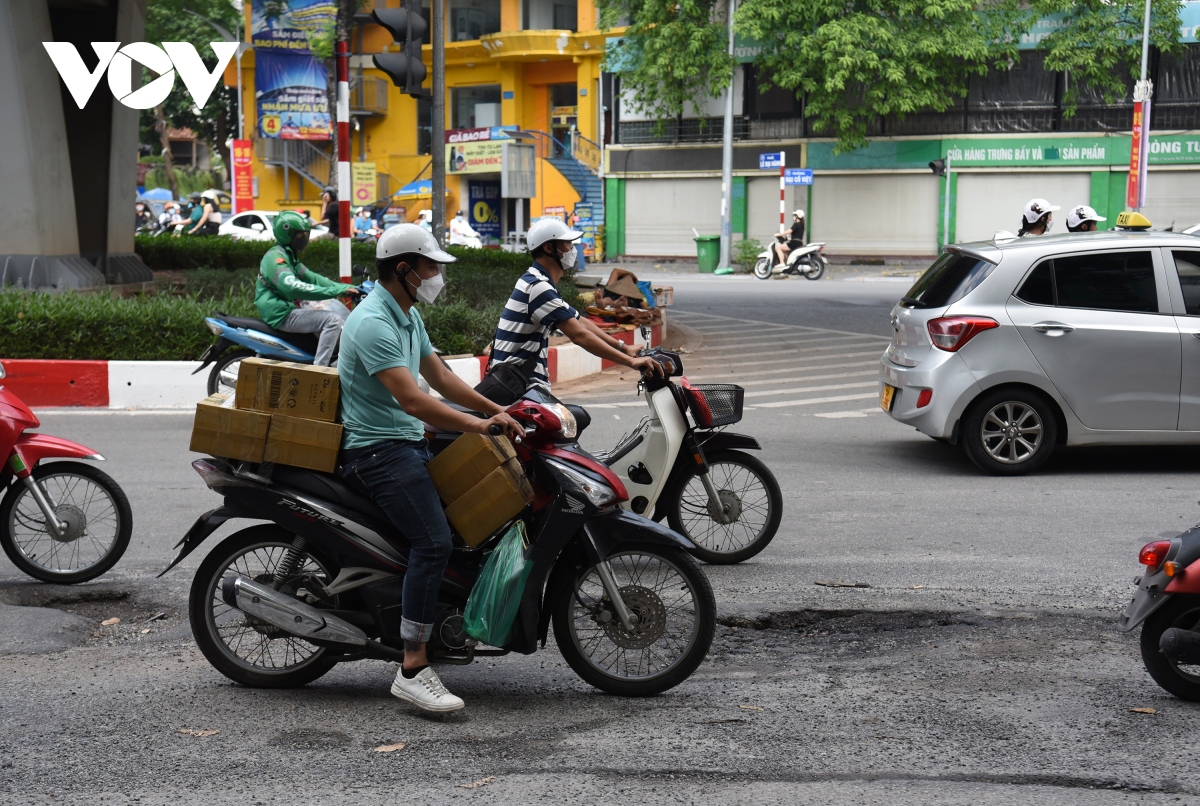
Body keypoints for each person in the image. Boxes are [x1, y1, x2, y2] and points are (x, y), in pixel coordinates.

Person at [337, 223, 523, 713]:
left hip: (406, 443)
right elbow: (415, 400)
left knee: (466, 528)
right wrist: (479, 427)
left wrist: (493, 410)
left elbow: (440, 375)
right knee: (434, 540)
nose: (438, 274)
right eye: (431, 266)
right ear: (405, 269)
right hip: (378, 452)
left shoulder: (406, 314)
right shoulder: (374, 321)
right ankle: (413, 664)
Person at [484, 218, 662, 398]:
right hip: (518, 387)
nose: (573, 249)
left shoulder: (540, 281)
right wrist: (630, 361)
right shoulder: (538, 287)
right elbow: (579, 335)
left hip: (521, 383)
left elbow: (581, 321)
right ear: (549, 248)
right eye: (568, 243)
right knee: (575, 421)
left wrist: (624, 347)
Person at [254, 211, 358, 367]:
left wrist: (346, 288)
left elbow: (313, 278)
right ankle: (319, 370)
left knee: (333, 311)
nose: (303, 239)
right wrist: (336, 291)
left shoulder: (290, 257)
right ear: (286, 234)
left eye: (305, 235)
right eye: (299, 235)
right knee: (332, 320)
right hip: (281, 313)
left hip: (286, 307)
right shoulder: (276, 259)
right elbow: (295, 288)